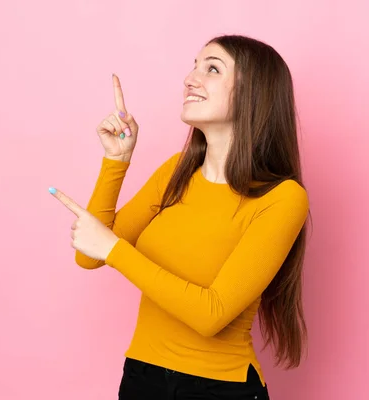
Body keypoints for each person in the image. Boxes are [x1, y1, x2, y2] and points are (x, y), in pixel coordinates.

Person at [49, 34, 310, 400]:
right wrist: (116, 162)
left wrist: (115, 250)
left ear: (254, 93)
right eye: (193, 66)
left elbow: (211, 314)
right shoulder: (176, 173)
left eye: (212, 68)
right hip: (142, 376)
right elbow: (89, 255)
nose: (190, 78)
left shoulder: (282, 199)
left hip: (220, 388)